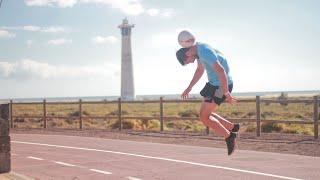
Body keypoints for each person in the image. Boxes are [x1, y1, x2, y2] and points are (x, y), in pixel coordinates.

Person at [176, 31, 240, 155]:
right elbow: (200, 70)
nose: (190, 63)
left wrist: (226, 93)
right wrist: (189, 87)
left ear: (188, 53)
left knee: (205, 116)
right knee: (204, 114)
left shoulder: (204, 52)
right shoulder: (199, 51)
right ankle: (232, 127)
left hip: (221, 85)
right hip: (213, 84)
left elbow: (221, 71)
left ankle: (229, 136)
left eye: (188, 61)